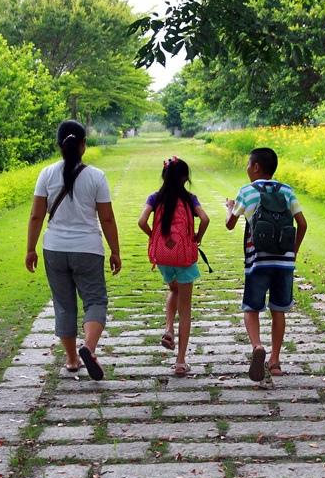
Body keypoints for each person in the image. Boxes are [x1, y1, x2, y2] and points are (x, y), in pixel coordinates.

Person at [26, 120, 121, 381]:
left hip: (54, 248)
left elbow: (36, 216)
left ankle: (71, 360)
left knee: (64, 305)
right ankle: (88, 348)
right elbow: (108, 219)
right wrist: (115, 251)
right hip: (88, 249)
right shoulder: (96, 176)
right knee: (95, 301)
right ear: (83, 145)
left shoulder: (46, 174)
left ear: (59, 146)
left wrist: (30, 249)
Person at [224, 147, 307, 381]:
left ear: (256, 167)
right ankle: (275, 361)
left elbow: (230, 224)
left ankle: (258, 346)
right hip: (284, 263)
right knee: (279, 310)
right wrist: (293, 252)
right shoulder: (287, 190)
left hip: (258, 261)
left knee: (251, 307)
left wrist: (230, 207)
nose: (247, 168)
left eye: (248, 164)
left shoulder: (247, 192)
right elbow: (302, 224)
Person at [138, 157, 210, 375]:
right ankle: (180, 361)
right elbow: (205, 219)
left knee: (173, 289)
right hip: (184, 256)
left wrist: (155, 238)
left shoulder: (155, 198)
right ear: (185, 177)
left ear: (163, 176)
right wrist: (196, 237)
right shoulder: (189, 199)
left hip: (164, 256)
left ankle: (168, 328)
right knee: (185, 309)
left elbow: (141, 222)